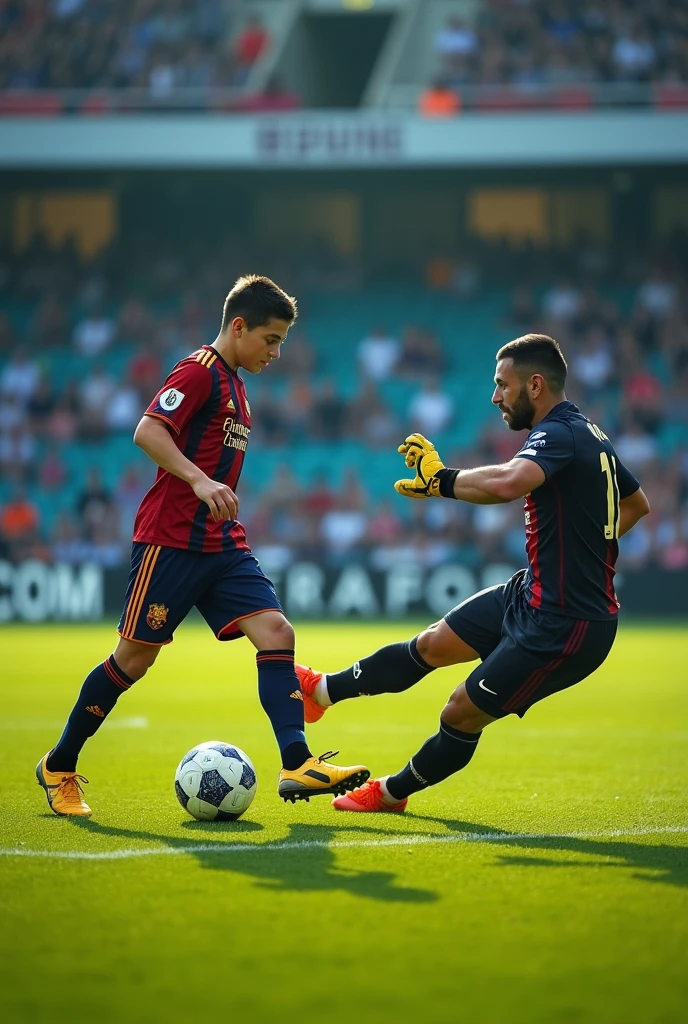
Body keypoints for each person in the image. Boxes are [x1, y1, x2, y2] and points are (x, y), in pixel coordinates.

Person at [37, 275, 368, 816]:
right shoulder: (199, 371)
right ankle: (59, 764)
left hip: (220, 541)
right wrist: (199, 480)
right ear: (238, 327)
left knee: (276, 631)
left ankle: (296, 762)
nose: (277, 352)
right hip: (170, 540)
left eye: (281, 341)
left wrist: (211, 489)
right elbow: (147, 430)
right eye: (270, 339)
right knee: (133, 660)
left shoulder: (236, 383)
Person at [295, 334, 650, 813]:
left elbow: (508, 482)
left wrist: (442, 481)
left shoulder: (560, 432)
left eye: (503, 385)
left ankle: (391, 793)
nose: (495, 397)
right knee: (432, 644)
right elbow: (636, 504)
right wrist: (588, 549)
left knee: (461, 712)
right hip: (533, 594)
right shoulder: (588, 433)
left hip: (566, 623)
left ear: (536, 385)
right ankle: (320, 692)